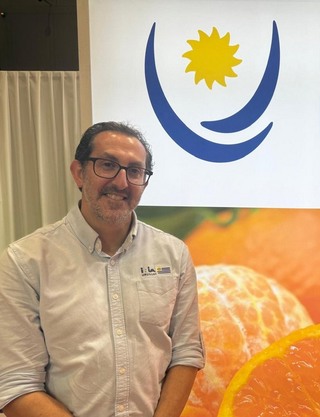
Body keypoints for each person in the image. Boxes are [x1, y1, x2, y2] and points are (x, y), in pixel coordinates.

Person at [0, 122, 205, 417]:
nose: (122, 182)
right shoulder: (25, 261)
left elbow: (186, 352)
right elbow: (15, 383)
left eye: (135, 171)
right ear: (78, 173)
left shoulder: (174, 254)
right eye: (107, 165)